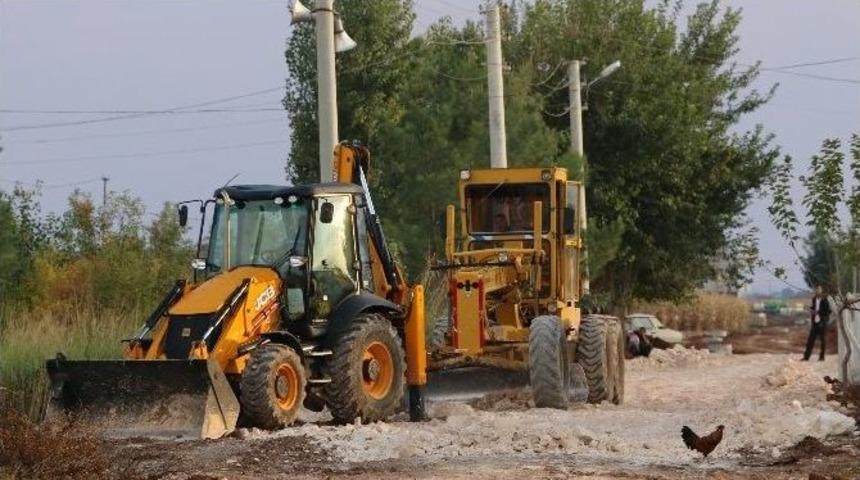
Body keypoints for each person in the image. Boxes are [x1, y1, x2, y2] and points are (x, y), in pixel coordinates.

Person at [802, 286, 831, 361]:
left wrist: (818, 312)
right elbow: (814, 308)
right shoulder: (814, 299)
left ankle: (822, 357)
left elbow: (828, 311)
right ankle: (806, 357)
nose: (817, 291)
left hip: (822, 323)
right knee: (810, 340)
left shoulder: (825, 300)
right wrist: (809, 308)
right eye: (816, 289)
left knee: (823, 341)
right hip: (815, 323)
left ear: (821, 291)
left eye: (819, 289)